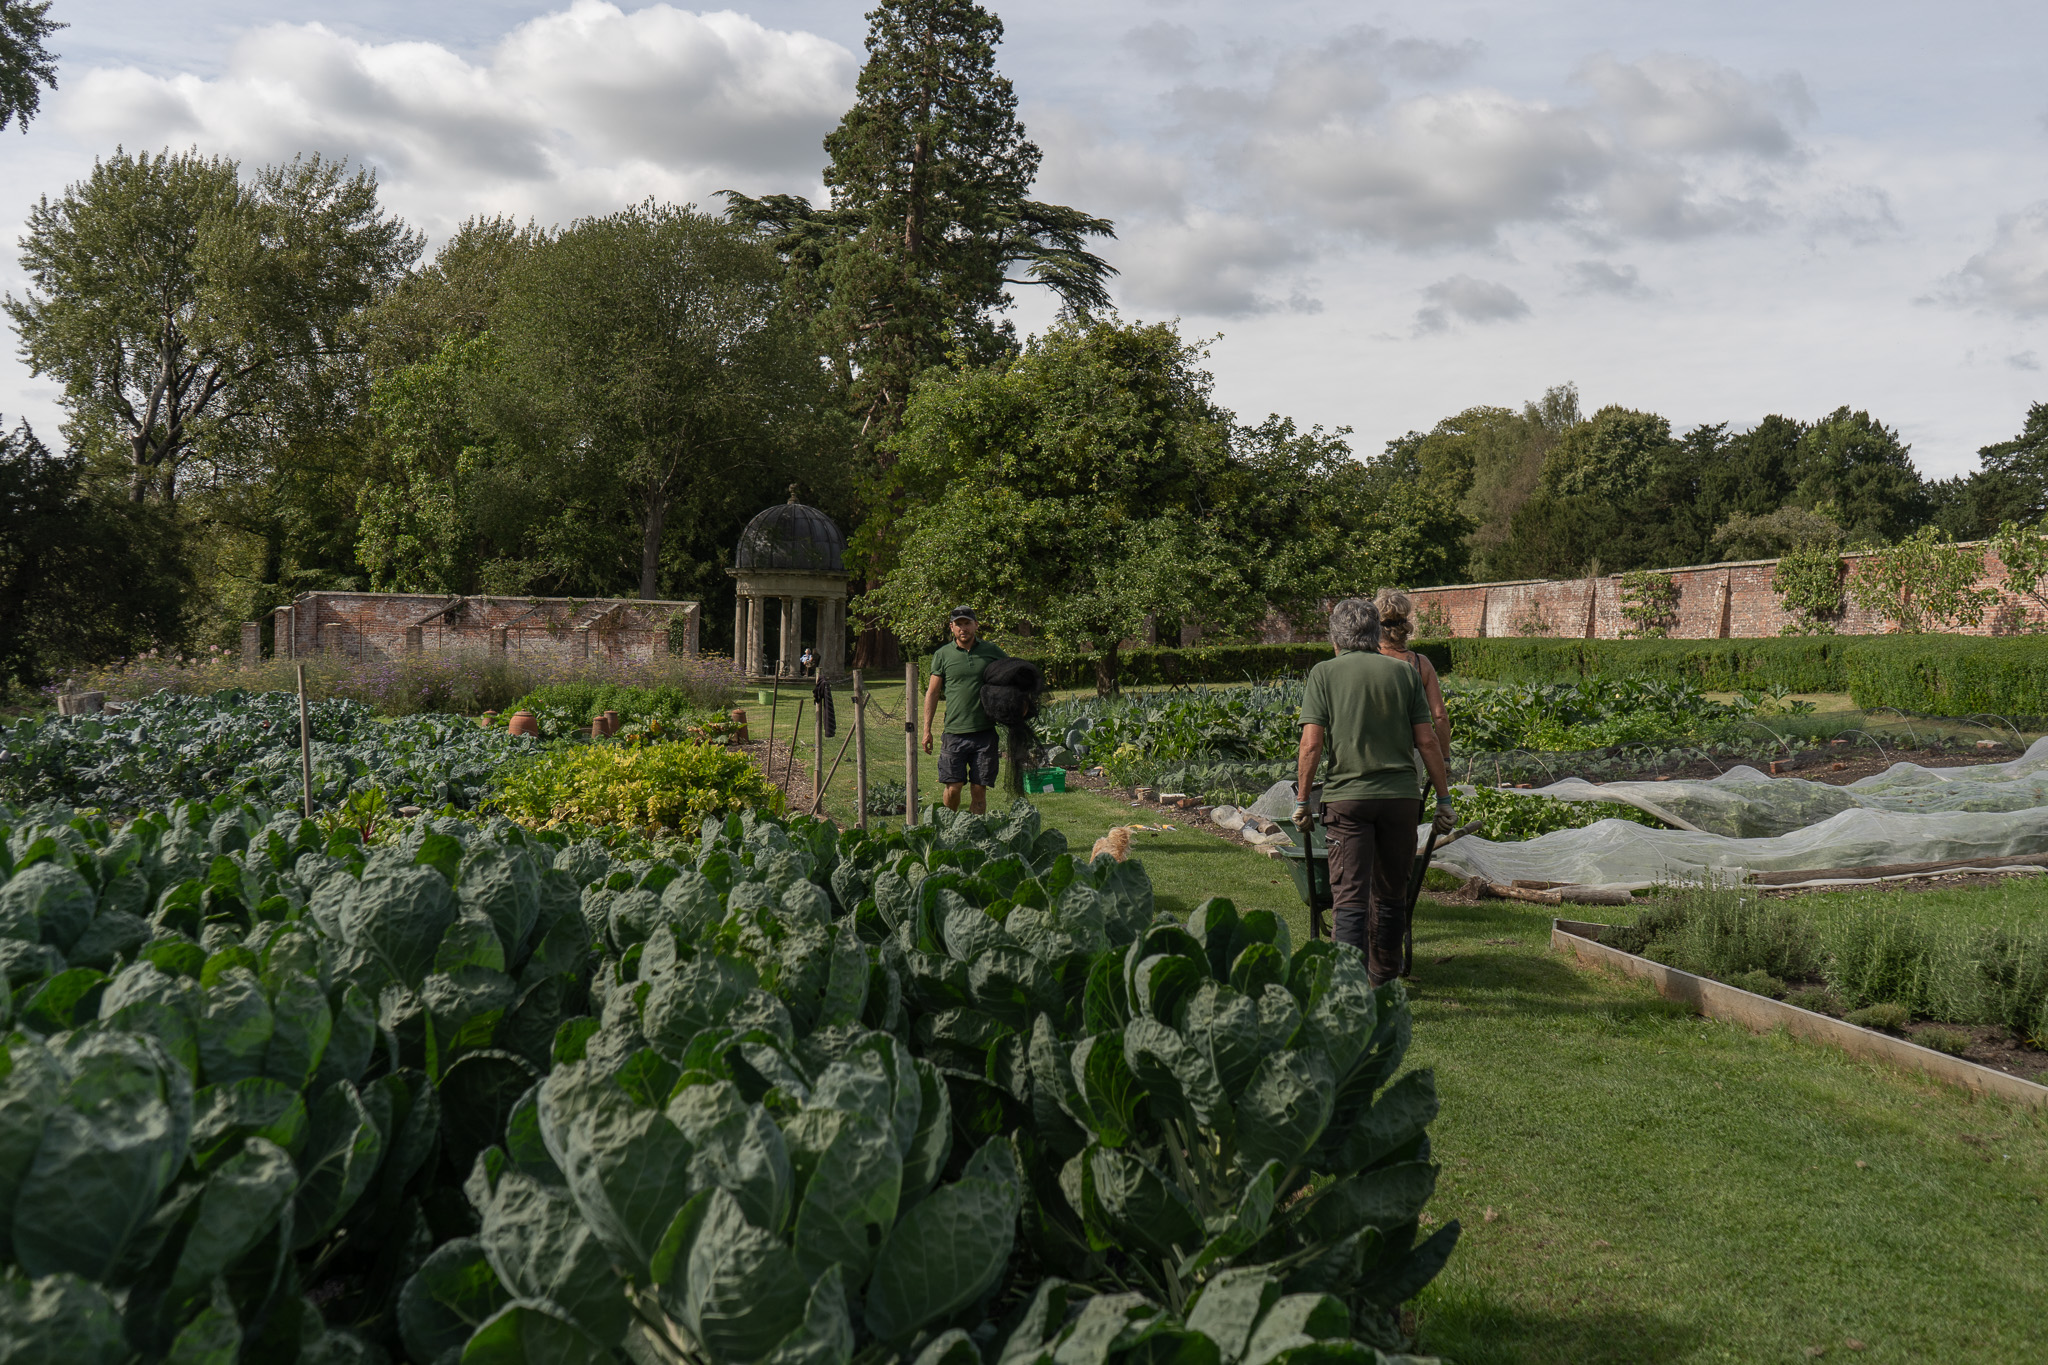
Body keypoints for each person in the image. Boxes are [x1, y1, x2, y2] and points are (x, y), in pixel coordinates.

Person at [1294, 598, 1455, 985]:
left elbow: (1311, 745)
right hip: (1401, 800)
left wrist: (1301, 801)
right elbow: (1427, 741)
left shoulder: (1324, 673)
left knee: (1350, 897)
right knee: (1390, 895)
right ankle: (1384, 983)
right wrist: (1444, 799)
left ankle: (1349, 987)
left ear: (1336, 638)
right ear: (1373, 633)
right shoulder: (1404, 672)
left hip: (1348, 801)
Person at [923, 606, 1007, 815]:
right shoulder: (943, 654)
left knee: (979, 790)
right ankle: (948, 827)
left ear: (976, 625)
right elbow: (933, 692)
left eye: (967, 623)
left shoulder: (991, 651)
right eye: (958, 624)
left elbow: (1012, 673)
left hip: (984, 733)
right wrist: (926, 730)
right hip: (954, 733)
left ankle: (974, 830)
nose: (963, 628)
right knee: (953, 788)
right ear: (951, 627)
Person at [1373, 588, 1450, 760]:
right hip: (1410, 752)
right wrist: (1445, 757)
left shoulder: (1366, 660)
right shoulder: (1420, 663)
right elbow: (1440, 716)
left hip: (1371, 751)